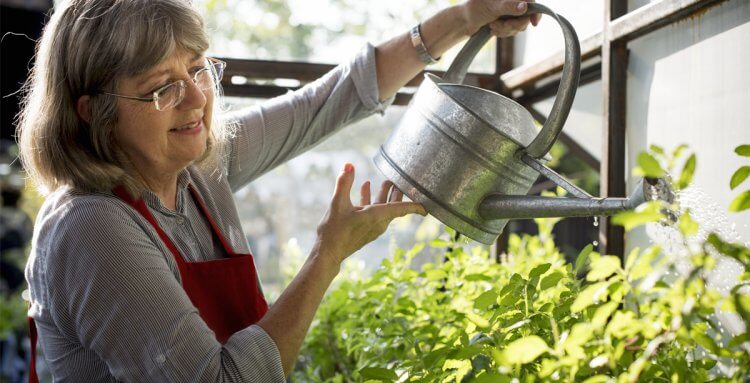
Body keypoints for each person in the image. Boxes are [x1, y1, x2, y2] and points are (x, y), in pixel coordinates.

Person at [17, 0, 539, 381]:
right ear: (93, 113)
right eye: (162, 87)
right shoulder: (91, 228)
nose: (196, 99)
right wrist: (328, 252)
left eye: (198, 69)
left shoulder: (199, 169)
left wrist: (466, 17)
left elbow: (330, 100)